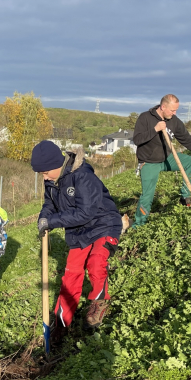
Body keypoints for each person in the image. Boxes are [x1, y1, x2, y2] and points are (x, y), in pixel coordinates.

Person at [31, 141, 123, 335]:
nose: (44, 177)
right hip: (78, 231)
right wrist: (44, 218)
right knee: (71, 273)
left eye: (45, 173)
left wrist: (52, 221)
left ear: (57, 164)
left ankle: (99, 301)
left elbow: (85, 212)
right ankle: (61, 323)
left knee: (96, 262)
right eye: (41, 174)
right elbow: (50, 204)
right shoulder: (51, 181)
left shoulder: (82, 176)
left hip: (103, 224)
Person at [131, 94, 191, 226]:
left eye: (176, 110)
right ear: (163, 107)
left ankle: (185, 197)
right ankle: (139, 225)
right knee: (147, 196)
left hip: (167, 158)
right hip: (148, 162)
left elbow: (187, 140)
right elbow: (137, 140)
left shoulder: (174, 121)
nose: (174, 113)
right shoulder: (145, 118)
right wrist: (155, 129)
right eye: (172, 110)